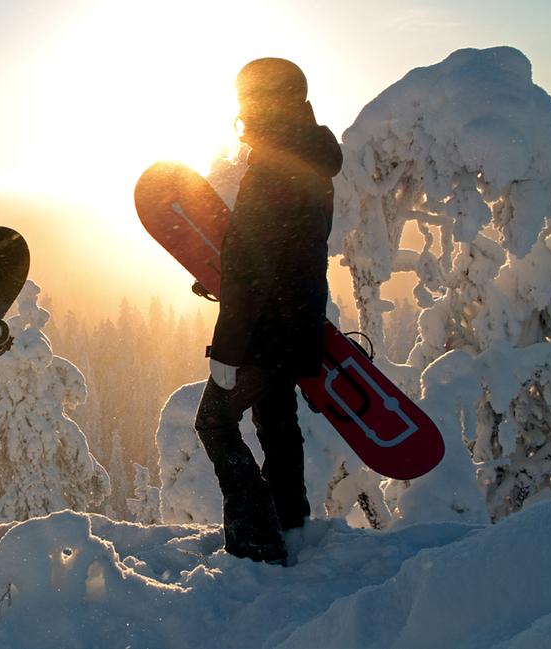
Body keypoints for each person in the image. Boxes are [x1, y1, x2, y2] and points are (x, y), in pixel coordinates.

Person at [195, 59, 343, 564]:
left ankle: (257, 538)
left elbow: (255, 268)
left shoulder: (274, 165)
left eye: (246, 99)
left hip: (264, 331)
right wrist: (221, 273)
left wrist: (229, 348)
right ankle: (289, 521)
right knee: (276, 421)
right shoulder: (308, 159)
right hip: (294, 322)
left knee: (214, 423)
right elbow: (283, 252)